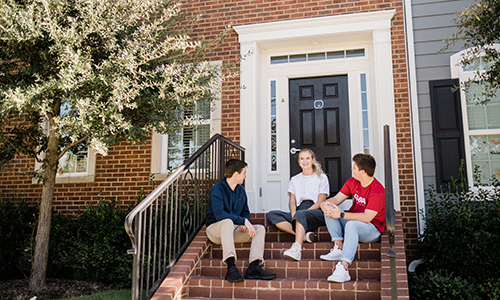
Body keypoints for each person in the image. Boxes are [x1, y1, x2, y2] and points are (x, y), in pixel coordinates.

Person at [206, 158, 276, 283]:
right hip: (215, 231)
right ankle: (231, 267)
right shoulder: (217, 189)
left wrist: (245, 223)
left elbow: (245, 212)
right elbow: (220, 215)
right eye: (244, 172)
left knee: (259, 229)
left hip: (233, 230)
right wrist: (242, 221)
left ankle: (254, 267)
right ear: (236, 174)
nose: (245, 175)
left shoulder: (241, 190)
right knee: (227, 222)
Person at [319, 153, 386, 283]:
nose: (352, 169)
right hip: (354, 222)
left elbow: (367, 217)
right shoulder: (352, 182)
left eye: (354, 167)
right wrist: (324, 204)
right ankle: (338, 247)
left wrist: (342, 215)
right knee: (330, 209)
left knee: (351, 224)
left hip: (371, 229)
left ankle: (343, 268)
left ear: (363, 172)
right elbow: (336, 199)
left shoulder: (377, 190)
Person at [266, 149, 330, 261]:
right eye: (302, 158)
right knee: (272, 215)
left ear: (313, 160)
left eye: (308, 158)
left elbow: (321, 201)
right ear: (299, 161)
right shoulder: (294, 179)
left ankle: (297, 248)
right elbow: (292, 201)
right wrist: (293, 213)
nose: (305, 161)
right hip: (299, 210)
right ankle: (304, 235)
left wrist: (303, 214)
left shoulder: (322, 177)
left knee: (301, 215)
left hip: (316, 210)